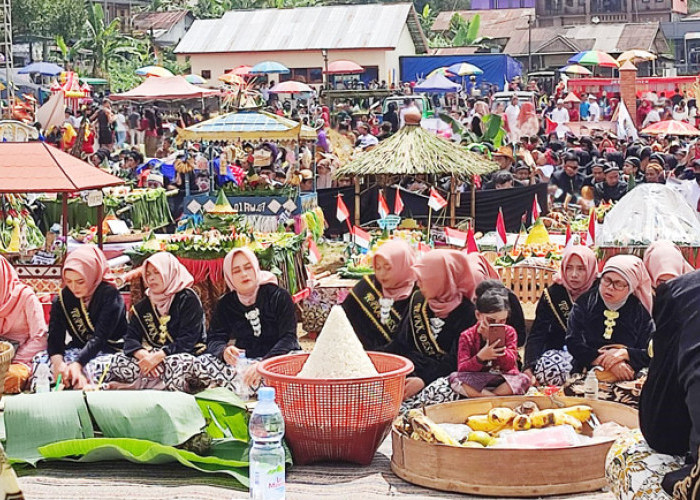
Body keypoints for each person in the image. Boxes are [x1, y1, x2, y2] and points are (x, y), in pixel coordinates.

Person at [192, 249, 300, 392]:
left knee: (297, 363)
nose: (244, 274)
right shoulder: (226, 303)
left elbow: (289, 338)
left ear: (256, 268)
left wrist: (264, 365)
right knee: (201, 362)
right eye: (236, 271)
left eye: (248, 267)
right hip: (244, 364)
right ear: (229, 276)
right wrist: (224, 351)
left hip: (276, 361)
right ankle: (251, 385)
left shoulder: (278, 296)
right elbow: (214, 339)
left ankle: (243, 386)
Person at [385, 250, 477, 401]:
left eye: (424, 279)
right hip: (409, 372)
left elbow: (456, 360)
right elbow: (400, 344)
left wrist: (423, 380)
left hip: (443, 381)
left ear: (440, 280)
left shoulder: (468, 313)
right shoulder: (418, 301)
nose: (418, 284)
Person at [106, 253, 206, 392]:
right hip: (153, 359)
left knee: (176, 365)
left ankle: (137, 385)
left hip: (185, 356)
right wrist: (144, 356)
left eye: (156, 272)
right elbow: (130, 339)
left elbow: (188, 340)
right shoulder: (142, 307)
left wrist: (159, 357)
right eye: (147, 274)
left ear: (169, 271)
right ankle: (151, 385)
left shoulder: (187, 299)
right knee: (117, 361)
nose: (151, 278)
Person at [563, 255, 654, 405]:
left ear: (630, 287)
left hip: (627, 374)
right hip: (590, 369)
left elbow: (650, 351)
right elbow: (573, 341)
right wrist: (606, 362)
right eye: (606, 280)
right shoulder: (585, 303)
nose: (610, 287)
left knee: (641, 394)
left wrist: (625, 354)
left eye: (619, 284)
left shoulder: (639, 311)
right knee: (573, 391)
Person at [39, 246, 126, 389]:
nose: (74, 287)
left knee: (92, 369)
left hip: (110, 350)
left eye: (80, 281)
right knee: (41, 362)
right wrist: (58, 363)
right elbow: (55, 336)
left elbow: (100, 338)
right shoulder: (63, 298)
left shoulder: (110, 296)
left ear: (92, 275)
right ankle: (70, 381)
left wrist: (78, 364)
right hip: (78, 350)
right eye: (69, 281)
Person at [524, 246, 598, 386]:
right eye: (569, 268)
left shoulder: (601, 292)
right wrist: (529, 366)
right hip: (559, 358)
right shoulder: (553, 294)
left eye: (581, 269)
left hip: (595, 356)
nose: (574, 274)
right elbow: (537, 334)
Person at [449, 289, 531, 398]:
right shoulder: (467, 336)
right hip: (477, 379)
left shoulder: (509, 332)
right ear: (478, 315)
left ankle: (486, 398)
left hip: (503, 379)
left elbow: (510, 364)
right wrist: (480, 357)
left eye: (502, 321)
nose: (497, 325)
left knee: (523, 379)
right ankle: (494, 399)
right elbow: (462, 369)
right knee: (455, 378)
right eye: (491, 320)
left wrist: (496, 344)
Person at [342, 240, 416, 350]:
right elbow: (341, 321)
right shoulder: (366, 286)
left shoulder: (420, 294)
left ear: (403, 266)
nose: (381, 274)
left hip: (404, 363)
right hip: (359, 358)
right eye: (378, 267)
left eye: (388, 267)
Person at [0, 256, 47, 393]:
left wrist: (15, 358)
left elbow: (40, 337)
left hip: (21, 359)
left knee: (12, 377)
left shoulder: (26, 297)